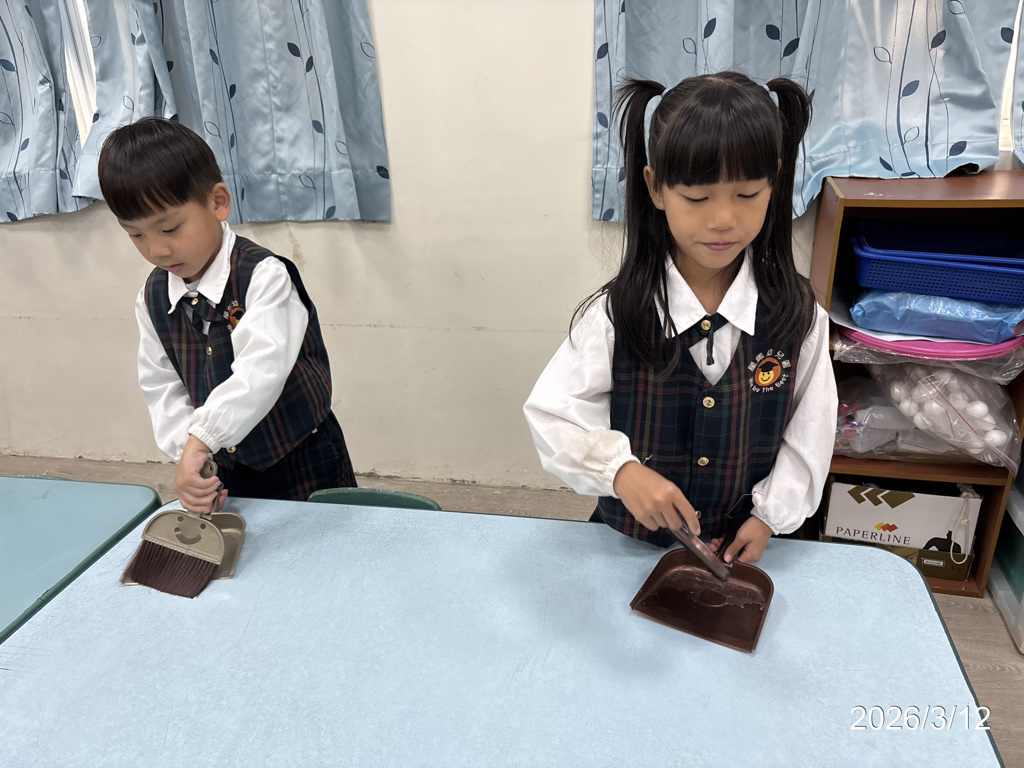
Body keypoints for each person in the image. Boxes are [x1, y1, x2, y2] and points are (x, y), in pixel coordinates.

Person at [524, 72, 837, 563]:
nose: (723, 220)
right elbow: (553, 413)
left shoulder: (798, 318)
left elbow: (810, 432)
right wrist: (621, 472)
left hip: (745, 552)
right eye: (696, 198)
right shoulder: (618, 314)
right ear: (655, 187)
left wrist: (769, 517)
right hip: (628, 550)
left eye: (747, 195)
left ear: (774, 181)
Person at [98, 117, 356, 512]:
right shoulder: (151, 297)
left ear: (217, 202)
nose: (156, 250)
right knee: (243, 542)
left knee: (325, 539)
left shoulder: (264, 275)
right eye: (136, 234)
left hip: (303, 456)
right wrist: (188, 450)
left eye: (170, 228)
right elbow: (162, 385)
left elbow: (261, 372)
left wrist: (202, 437)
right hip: (223, 465)